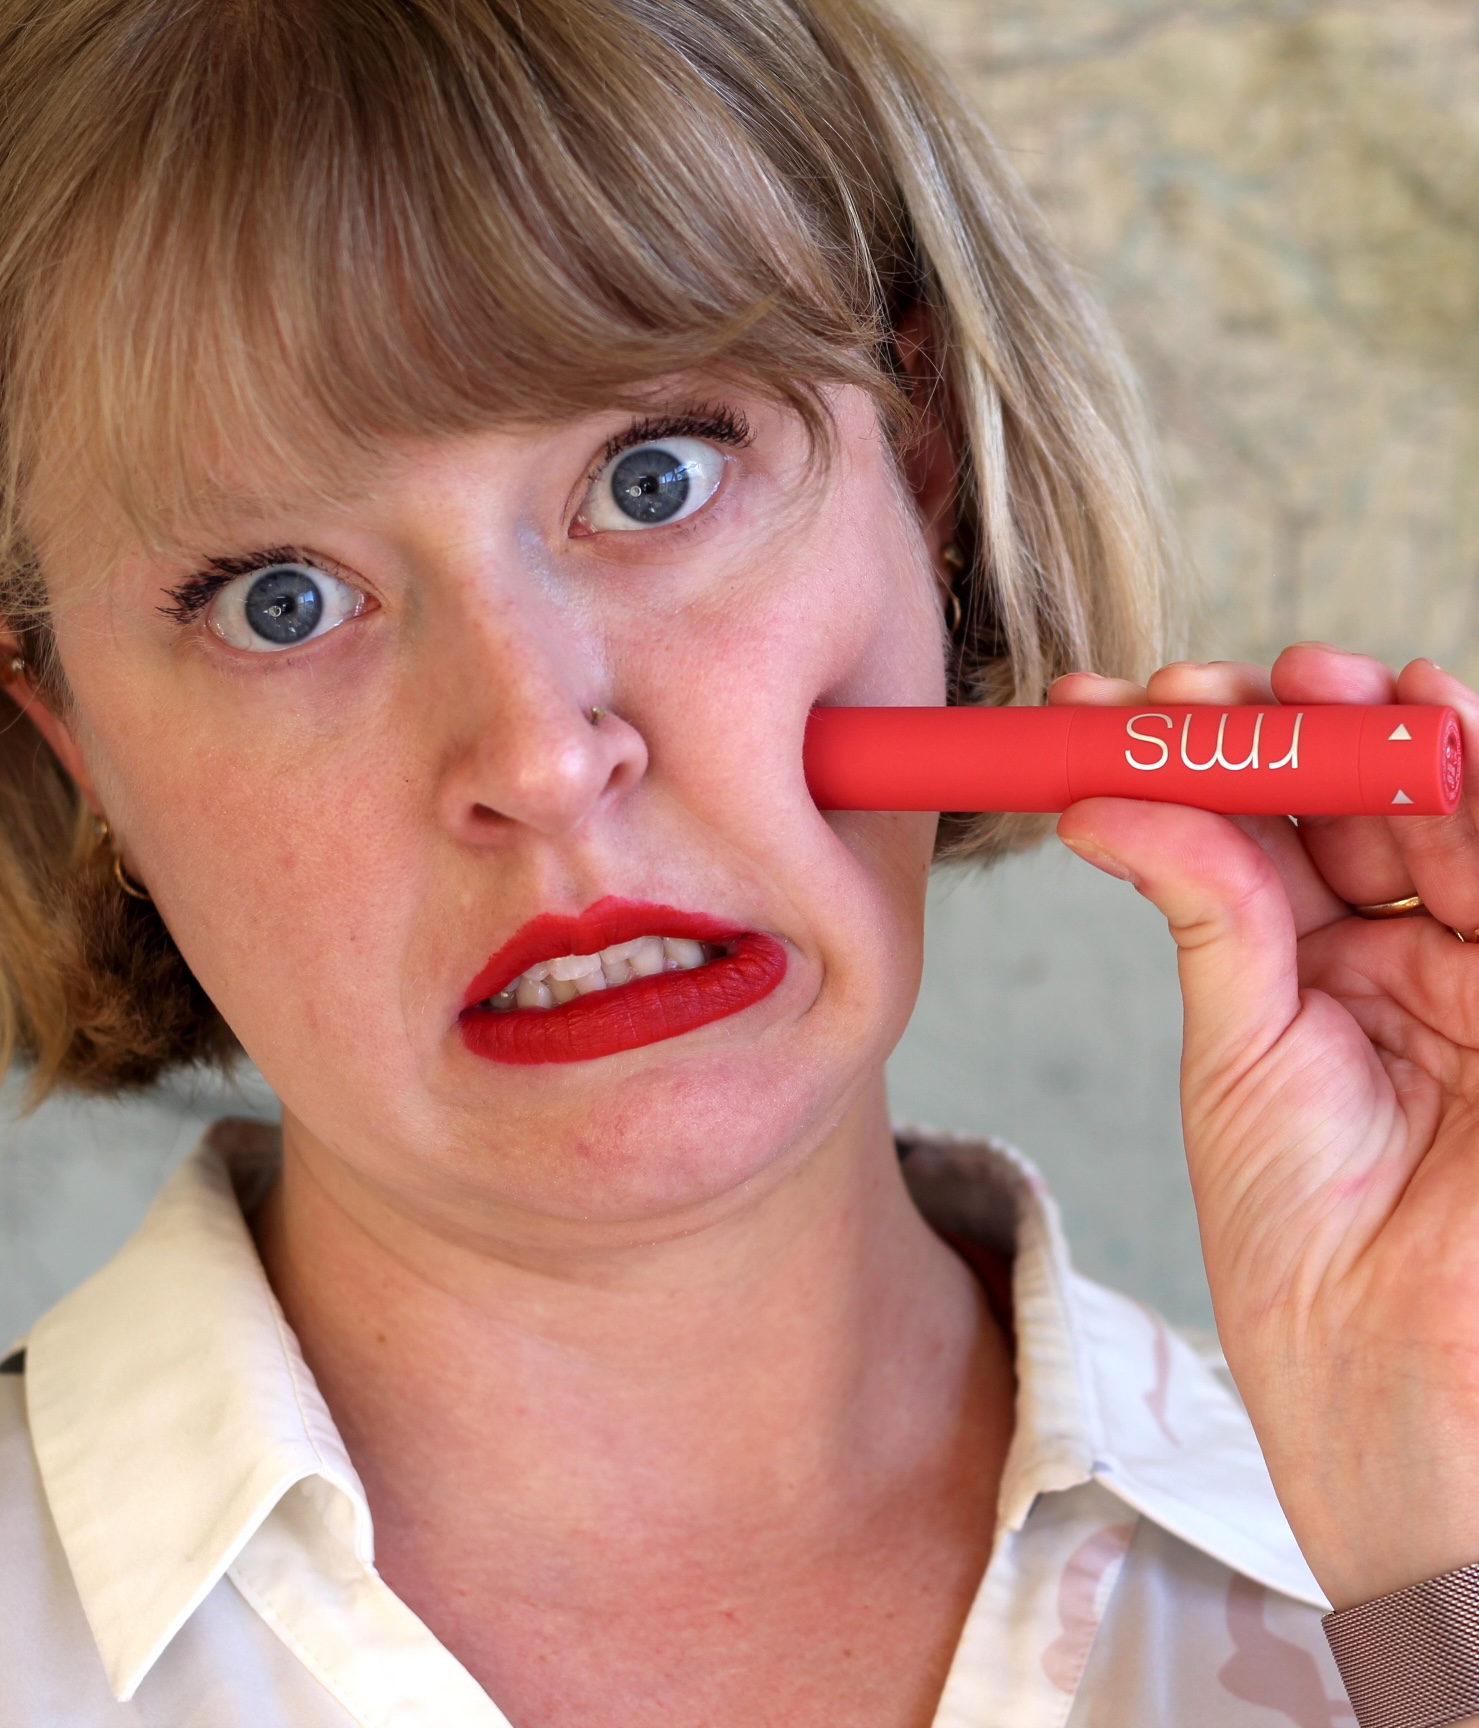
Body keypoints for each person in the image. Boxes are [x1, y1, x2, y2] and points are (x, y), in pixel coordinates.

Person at [0, 1, 1476, 1724]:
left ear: (919, 474)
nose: (545, 758)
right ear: (78, 738)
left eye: (651, 476)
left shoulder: (1414, 1565)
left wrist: (1438, 1542)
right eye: (283, 601)